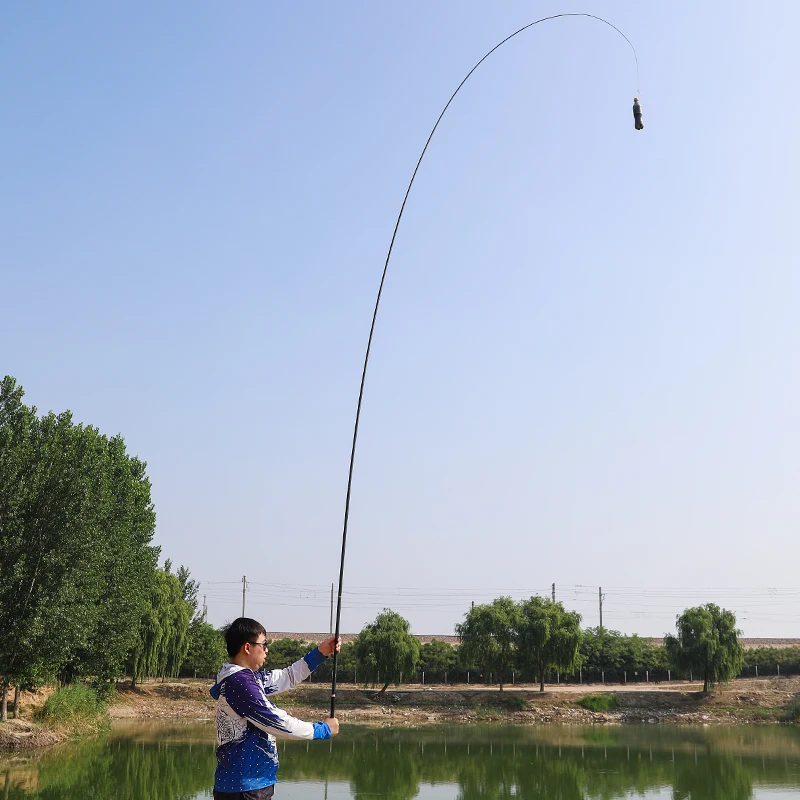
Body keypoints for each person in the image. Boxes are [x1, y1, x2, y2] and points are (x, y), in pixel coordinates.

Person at [210, 617, 341, 799]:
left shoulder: (247, 679)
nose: (266, 650)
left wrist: (320, 653)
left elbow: (287, 676)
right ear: (247, 648)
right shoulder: (240, 683)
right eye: (263, 645)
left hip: (249, 785)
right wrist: (323, 729)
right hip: (244, 787)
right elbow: (278, 723)